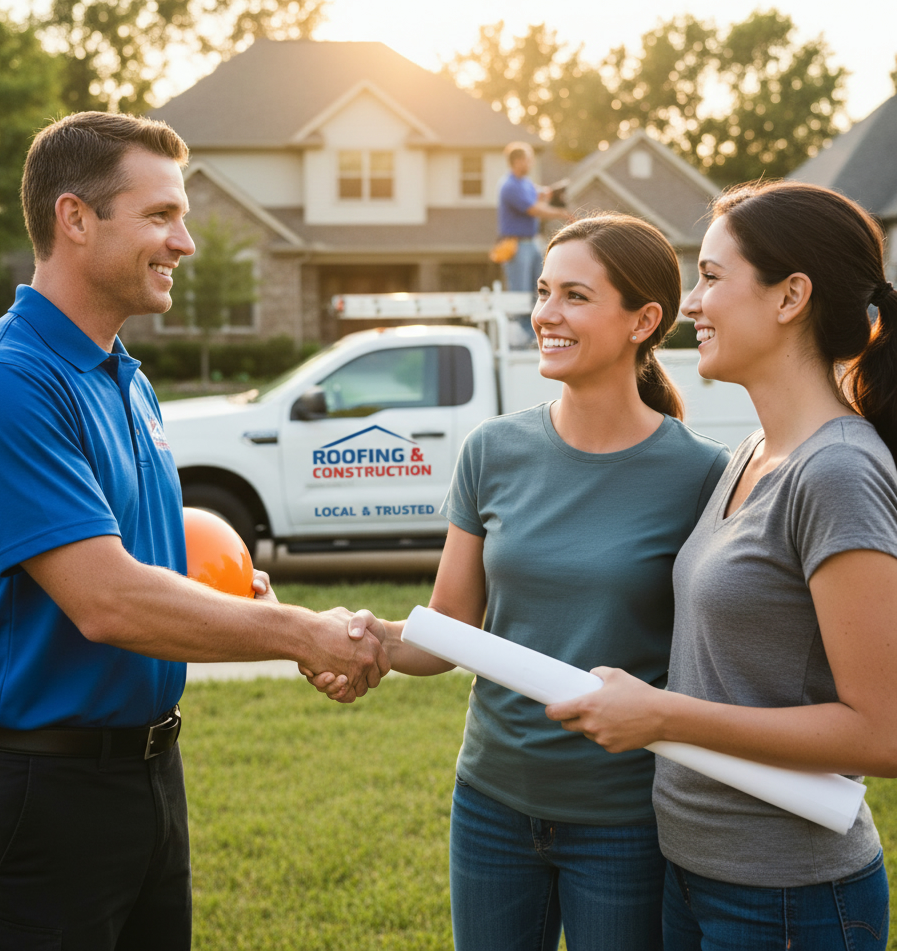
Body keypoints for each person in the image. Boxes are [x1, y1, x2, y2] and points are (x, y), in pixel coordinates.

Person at [0, 111, 388, 951]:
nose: (186, 242)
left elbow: (145, 555)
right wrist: (300, 635)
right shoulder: (3, 383)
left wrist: (249, 599)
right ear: (75, 218)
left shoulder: (123, 377)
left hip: (145, 776)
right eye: (160, 216)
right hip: (35, 790)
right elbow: (106, 600)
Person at [307, 215, 731, 950]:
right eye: (542, 292)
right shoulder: (492, 450)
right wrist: (359, 640)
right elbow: (448, 633)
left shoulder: (702, 475)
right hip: (491, 805)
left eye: (573, 295)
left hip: (624, 818)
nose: (545, 315)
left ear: (645, 320)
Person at [545, 181, 897, 950]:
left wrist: (660, 714)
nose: (690, 304)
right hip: (696, 873)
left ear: (789, 296)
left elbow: (883, 731)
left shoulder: (835, 470)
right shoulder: (753, 453)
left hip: (789, 900)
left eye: (710, 276)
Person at [497, 142, 570, 292]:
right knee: (521, 293)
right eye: (528, 160)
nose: (531, 164)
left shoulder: (526, 183)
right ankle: (522, 317)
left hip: (532, 243)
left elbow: (540, 194)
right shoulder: (510, 185)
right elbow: (533, 209)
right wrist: (561, 214)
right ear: (518, 161)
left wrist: (550, 193)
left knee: (539, 290)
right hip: (517, 245)